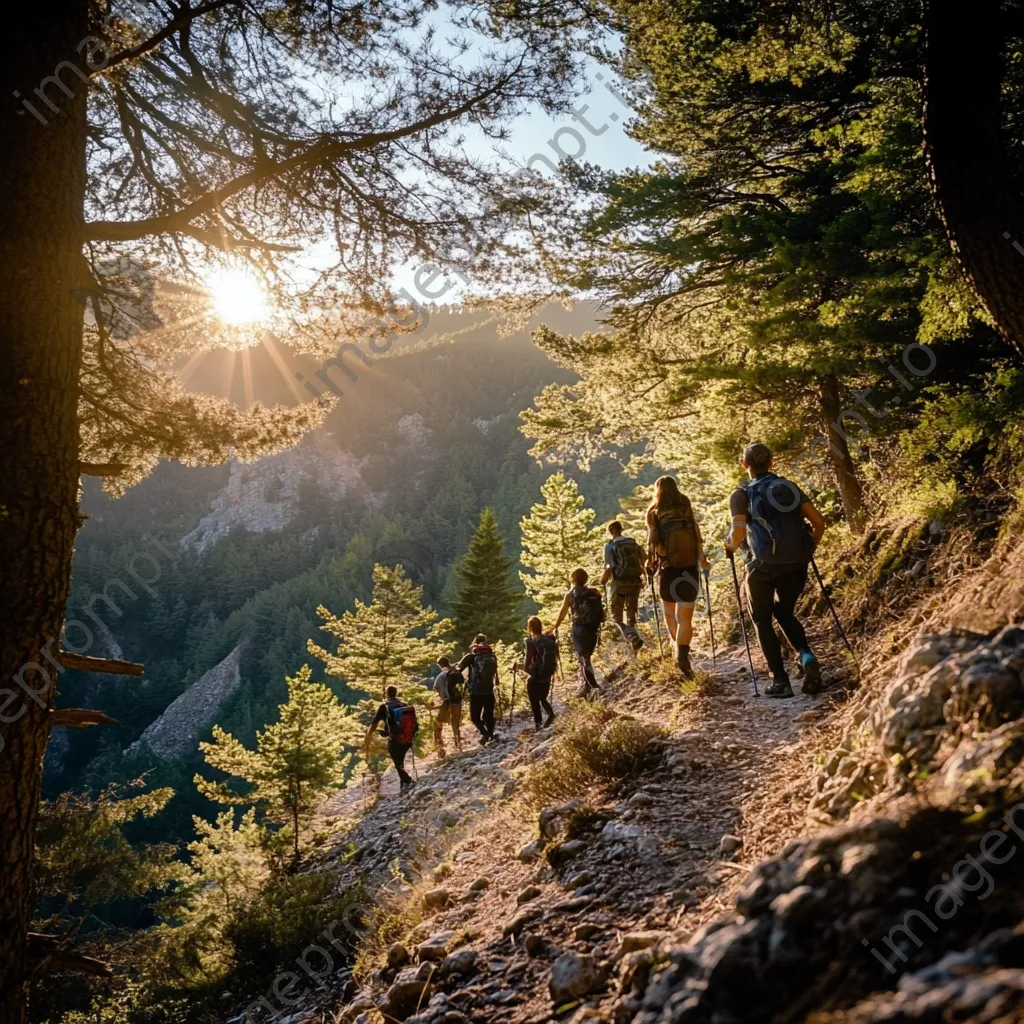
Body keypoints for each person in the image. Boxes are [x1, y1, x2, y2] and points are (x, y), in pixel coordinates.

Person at [724, 441, 827, 698]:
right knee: (784, 612)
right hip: (796, 564)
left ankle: (781, 682)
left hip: (761, 567)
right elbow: (819, 522)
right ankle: (806, 656)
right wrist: (807, 549)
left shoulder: (741, 495)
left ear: (744, 464)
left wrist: (729, 547)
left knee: (762, 619)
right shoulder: (789, 487)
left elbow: (737, 532)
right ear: (771, 463)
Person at [646, 475, 709, 679]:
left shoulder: (654, 511)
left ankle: (676, 648)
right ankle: (683, 655)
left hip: (668, 569)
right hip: (690, 568)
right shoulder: (685, 507)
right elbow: (696, 536)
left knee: (670, 615)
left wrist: (649, 561)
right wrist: (703, 560)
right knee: (685, 619)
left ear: (658, 491)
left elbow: (652, 541)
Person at [552, 568, 603, 697]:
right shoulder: (594, 592)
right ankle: (587, 687)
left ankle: (593, 686)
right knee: (587, 658)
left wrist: (554, 627)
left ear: (573, 579)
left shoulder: (570, 594)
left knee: (584, 658)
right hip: (593, 628)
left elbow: (562, 613)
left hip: (580, 630)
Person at [601, 521, 646, 652]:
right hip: (635, 582)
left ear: (612, 530)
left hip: (619, 583)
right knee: (632, 612)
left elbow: (609, 567)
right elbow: (644, 559)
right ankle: (634, 640)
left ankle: (631, 637)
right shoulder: (633, 543)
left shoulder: (610, 546)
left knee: (616, 615)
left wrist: (603, 580)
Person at [366, 685, 417, 792]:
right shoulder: (404, 705)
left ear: (387, 694)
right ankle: (403, 785)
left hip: (395, 739)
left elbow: (375, 723)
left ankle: (408, 781)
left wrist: (369, 735)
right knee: (400, 761)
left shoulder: (384, 707)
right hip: (407, 739)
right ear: (396, 693)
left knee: (397, 762)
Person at [517, 616, 557, 729]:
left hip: (535, 678)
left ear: (530, 628)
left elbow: (526, 665)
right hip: (547, 675)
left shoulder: (531, 642)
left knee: (534, 702)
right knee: (543, 699)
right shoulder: (549, 639)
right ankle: (550, 714)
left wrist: (527, 670)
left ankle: (538, 725)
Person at [458, 634, 498, 745]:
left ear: (474, 642)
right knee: (489, 715)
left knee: (475, 717)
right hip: (489, 690)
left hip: (476, 692)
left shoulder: (471, 657)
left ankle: (484, 734)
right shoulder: (491, 656)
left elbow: (458, 670)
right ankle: (491, 736)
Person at [432, 657, 464, 754]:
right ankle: (458, 743)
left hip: (446, 703)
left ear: (440, 665)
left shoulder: (440, 676)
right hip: (457, 701)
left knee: (438, 724)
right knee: (455, 722)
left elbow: (438, 691)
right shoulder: (456, 673)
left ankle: (439, 747)